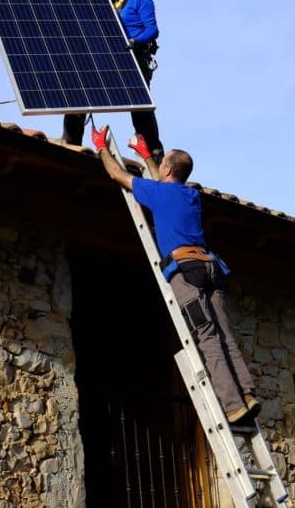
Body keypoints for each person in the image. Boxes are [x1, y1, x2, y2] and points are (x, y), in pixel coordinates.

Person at [92, 126, 260, 425]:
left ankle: (233, 406)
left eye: (162, 163)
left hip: (187, 272)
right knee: (224, 335)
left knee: (207, 337)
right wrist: (146, 156)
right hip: (211, 268)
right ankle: (248, 394)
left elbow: (117, 175)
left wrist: (101, 148)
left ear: (167, 168)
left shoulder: (158, 192)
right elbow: (162, 181)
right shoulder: (190, 194)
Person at [62, 0, 163, 160]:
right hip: (109, 57)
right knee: (80, 93)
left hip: (135, 58)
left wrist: (136, 41)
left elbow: (153, 29)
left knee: (139, 106)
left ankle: (153, 153)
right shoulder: (110, 1)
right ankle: (71, 144)